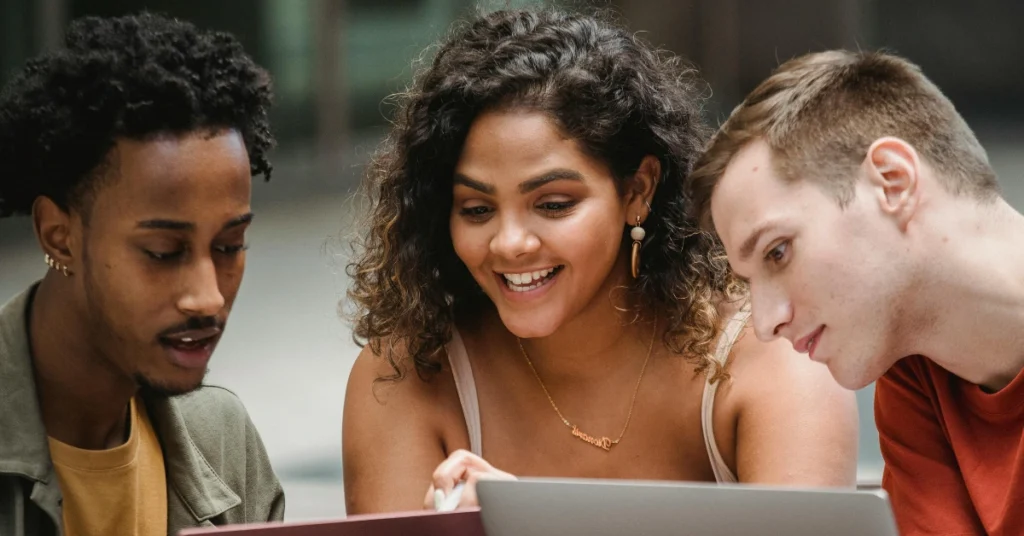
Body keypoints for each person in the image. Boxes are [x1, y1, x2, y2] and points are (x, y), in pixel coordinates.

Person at [342, 8, 858, 515]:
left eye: (553, 205)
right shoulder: (406, 375)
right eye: (477, 210)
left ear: (637, 190)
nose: (510, 243)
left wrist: (535, 522)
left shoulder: (769, 356)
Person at [689, 49, 1024, 535]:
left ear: (892, 182)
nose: (765, 323)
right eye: (748, 282)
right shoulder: (914, 379)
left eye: (778, 252)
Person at [0, 13, 285, 535]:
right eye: (161, 251)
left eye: (229, 246)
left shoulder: (222, 440)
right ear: (59, 235)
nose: (208, 298)